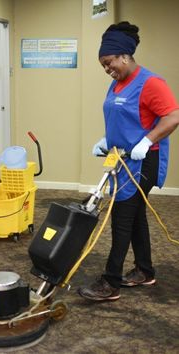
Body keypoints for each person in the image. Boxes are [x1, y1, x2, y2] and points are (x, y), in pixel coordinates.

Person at [78, 21, 179, 301]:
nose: (108, 69)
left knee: (122, 219)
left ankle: (110, 283)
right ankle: (145, 271)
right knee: (134, 218)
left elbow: (173, 116)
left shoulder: (151, 82)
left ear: (125, 55)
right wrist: (105, 139)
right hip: (121, 159)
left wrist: (147, 141)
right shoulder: (117, 84)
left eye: (110, 63)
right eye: (104, 66)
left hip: (143, 162)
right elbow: (123, 119)